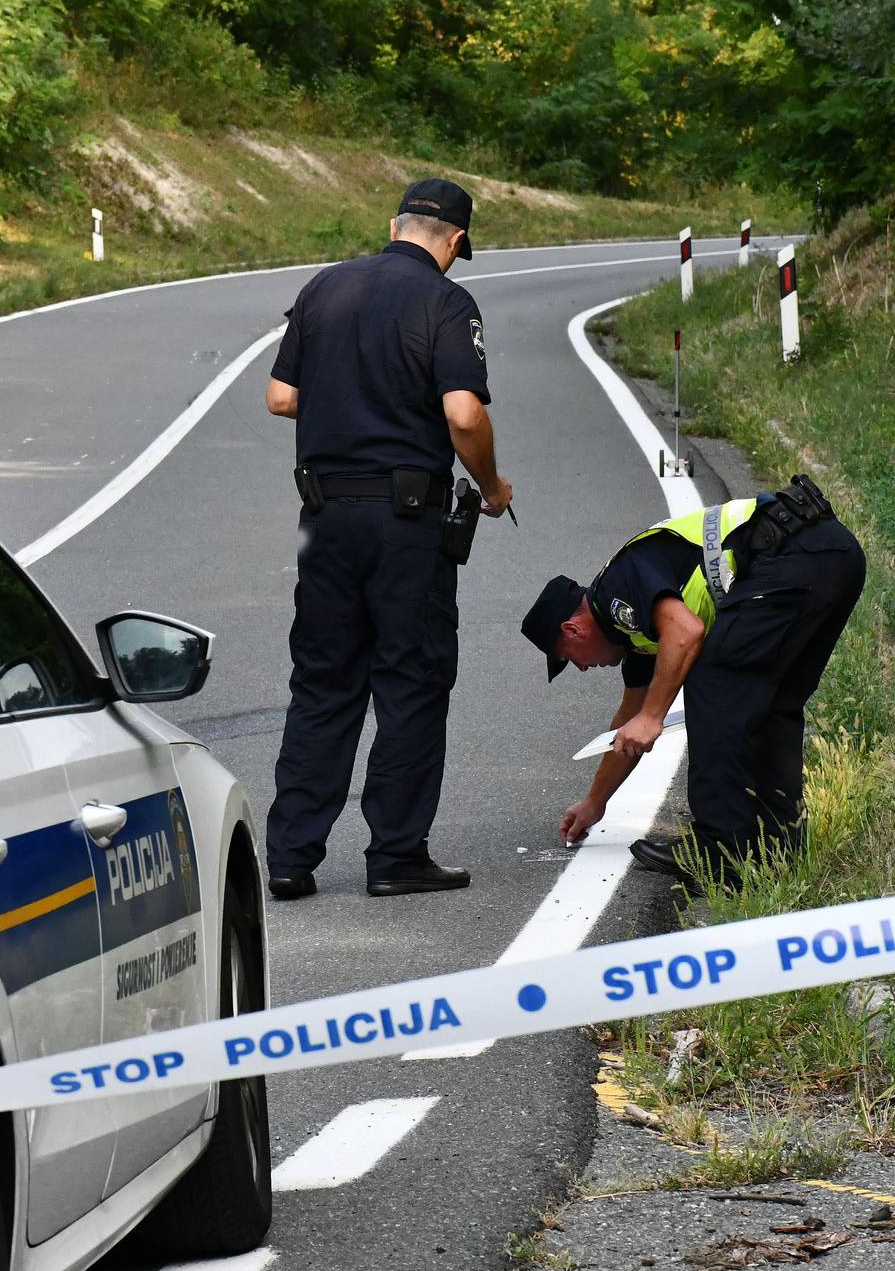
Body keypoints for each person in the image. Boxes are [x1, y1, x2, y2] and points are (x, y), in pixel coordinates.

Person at [261, 178, 513, 900]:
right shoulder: (446, 302)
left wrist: (350, 397)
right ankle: (396, 855)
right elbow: (463, 415)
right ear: (456, 242)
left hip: (326, 519)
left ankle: (290, 857)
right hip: (406, 525)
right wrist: (492, 487)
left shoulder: (324, 289)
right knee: (410, 678)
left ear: (393, 223)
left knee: (323, 682)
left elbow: (282, 396)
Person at [520, 476, 864, 884]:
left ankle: (718, 849)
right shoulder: (636, 638)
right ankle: (779, 843)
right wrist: (596, 801)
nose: (580, 668)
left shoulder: (616, 591)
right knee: (772, 704)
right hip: (831, 556)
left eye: (568, 659)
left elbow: (685, 634)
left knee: (711, 680)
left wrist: (653, 716)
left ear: (572, 629)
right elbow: (626, 726)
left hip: (796, 554)